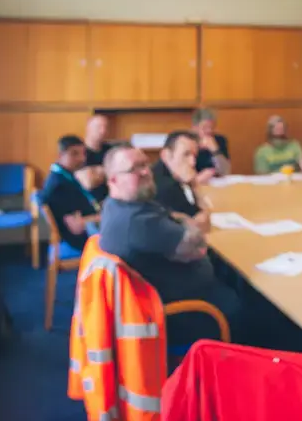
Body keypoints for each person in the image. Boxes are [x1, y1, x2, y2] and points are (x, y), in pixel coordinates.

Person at [100, 143, 241, 346]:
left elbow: (180, 224)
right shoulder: (139, 221)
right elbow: (199, 245)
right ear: (113, 179)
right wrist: (186, 224)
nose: (146, 172)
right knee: (254, 308)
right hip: (183, 313)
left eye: (145, 164)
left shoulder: (118, 205)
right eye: (134, 169)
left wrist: (181, 223)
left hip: (165, 297)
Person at [39, 135, 101, 252]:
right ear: (60, 155)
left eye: (83, 153)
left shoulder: (64, 175)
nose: (82, 159)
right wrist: (103, 217)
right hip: (82, 238)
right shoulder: (58, 186)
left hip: (89, 226)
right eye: (74, 154)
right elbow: (76, 227)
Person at [151, 131, 211, 233]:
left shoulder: (156, 172)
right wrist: (195, 186)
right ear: (166, 155)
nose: (192, 162)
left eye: (194, 156)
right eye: (186, 154)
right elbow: (204, 226)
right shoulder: (168, 186)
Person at [75, 114, 113, 203]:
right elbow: (88, 182)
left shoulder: (110, 151)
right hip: (86, 202)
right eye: (99, 127)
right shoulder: (79, 151)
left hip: (108, 201)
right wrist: (107, 172)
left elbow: (118, 175)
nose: (103, 131)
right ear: (88, 128)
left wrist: (95, 172)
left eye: (106, 127)